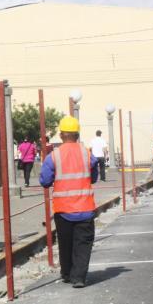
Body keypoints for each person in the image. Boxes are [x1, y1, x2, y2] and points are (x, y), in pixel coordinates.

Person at [39, 116, 98, 288]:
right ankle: (78, 277)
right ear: (77, 134)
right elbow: (93, 177)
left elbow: (45, 181)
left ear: (62, 134)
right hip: (85, 208)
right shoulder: (87, 154)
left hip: (63, 210)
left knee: (65, 243)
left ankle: (67, 273)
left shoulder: (54, 156)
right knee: (83, 244)